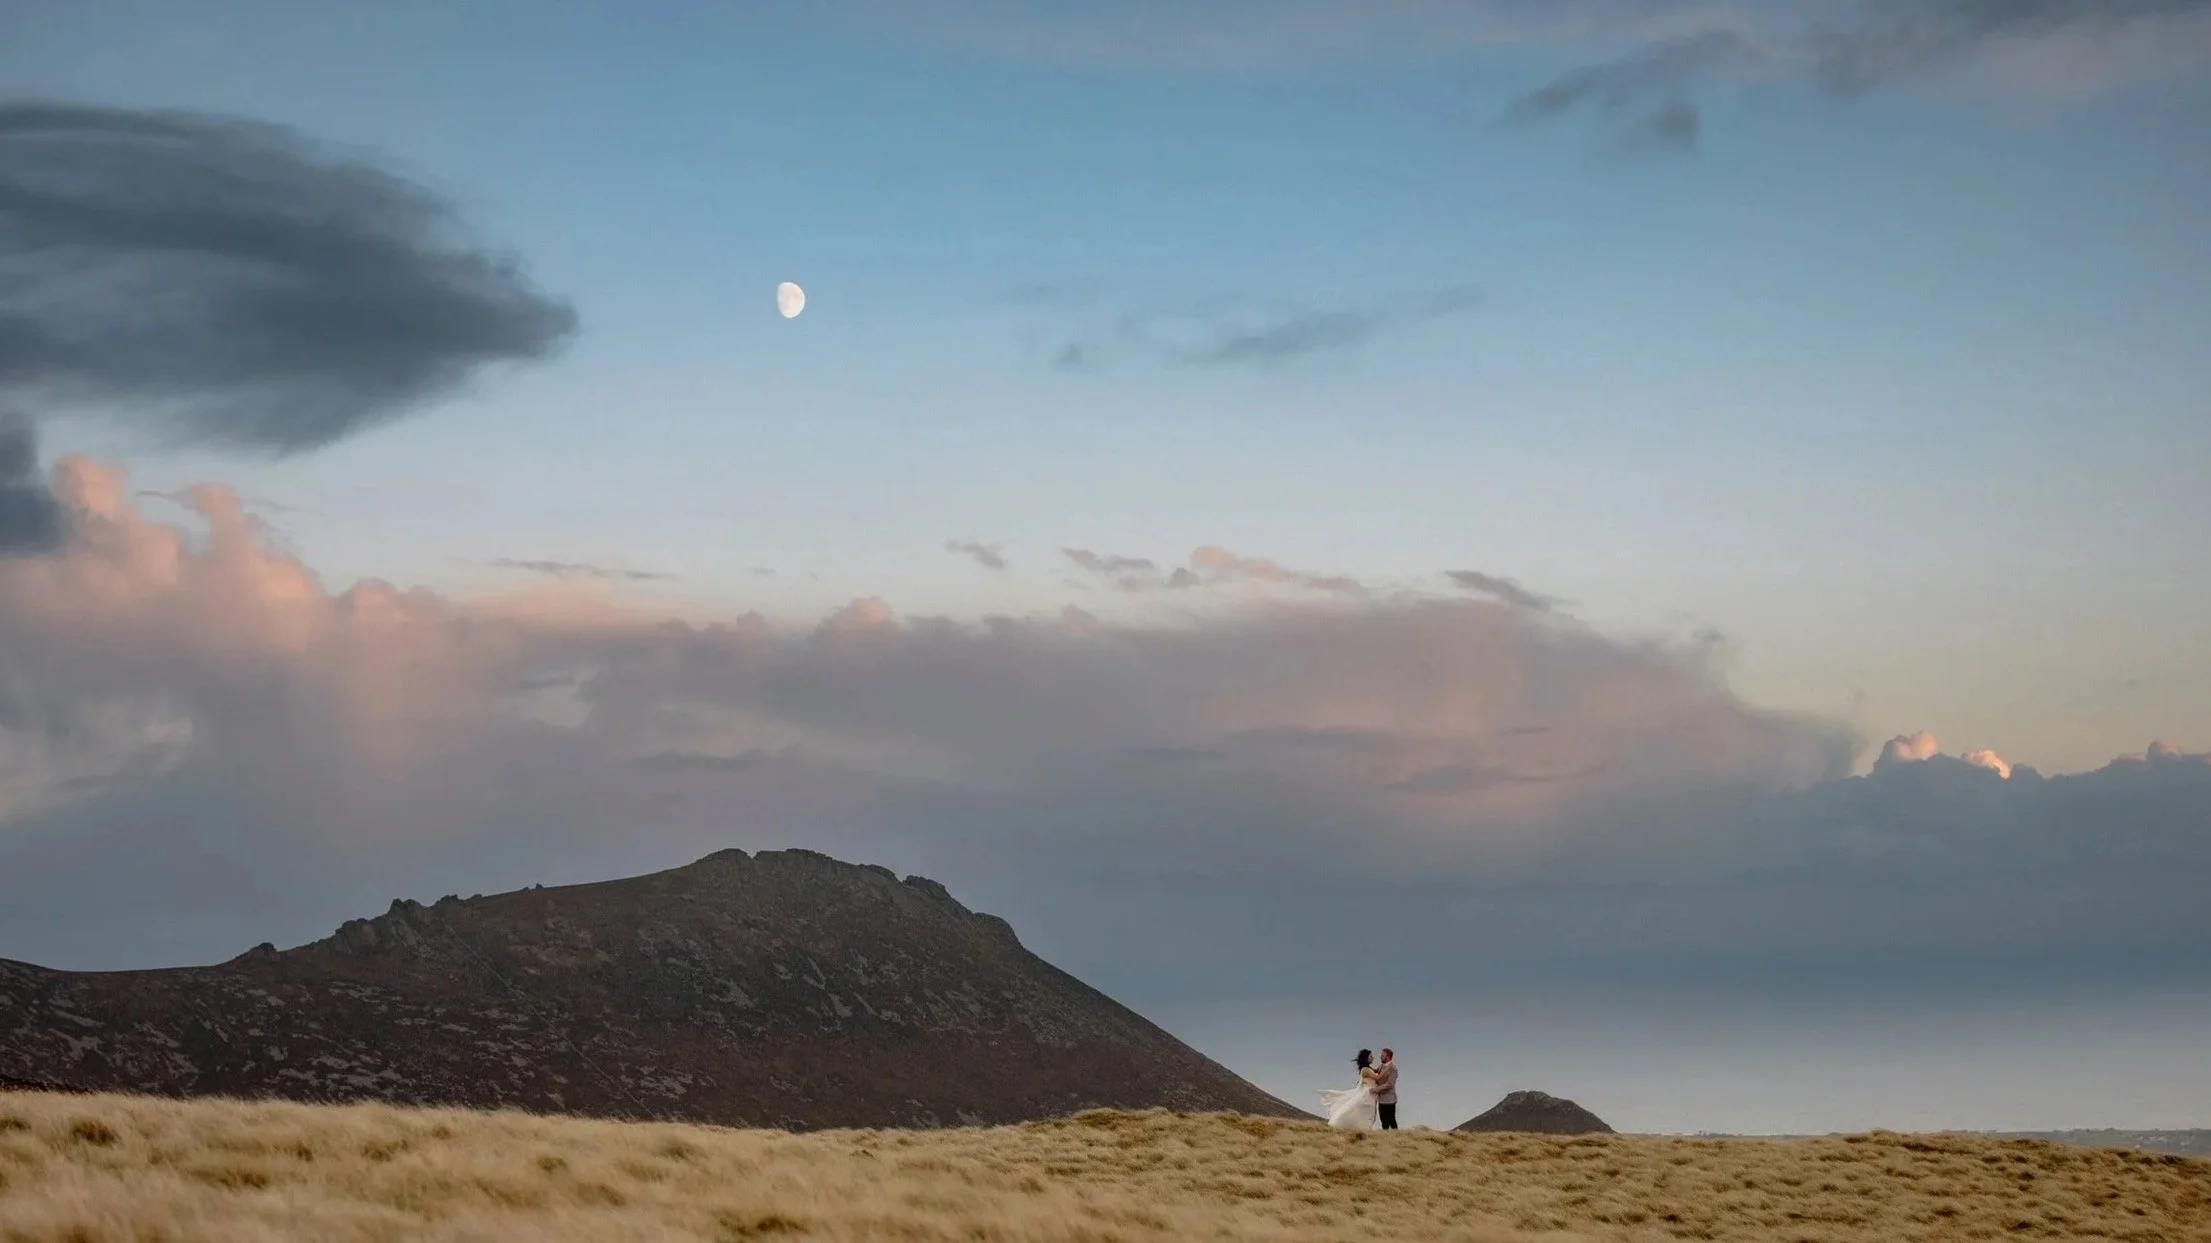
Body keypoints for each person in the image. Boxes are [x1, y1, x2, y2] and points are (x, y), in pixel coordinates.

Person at [1318, 1048, 1382, 1130]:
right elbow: (1378, 1077)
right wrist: (1388, 1068)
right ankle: (1358, 1127)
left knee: (1367, 1112)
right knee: (1360, 1111)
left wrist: (1383, 1066)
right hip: (1367, 1094)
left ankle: (1363, 1128)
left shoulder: (1369, 1069)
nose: (1373, 1057)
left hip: (1370, 1094)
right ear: (1366, 1058)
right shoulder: (1365, 1070)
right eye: (1371, 1056)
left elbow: (1377, 1071)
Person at [1372, 1047, 1399, 1130]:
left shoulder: (1393, 1069)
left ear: (1388, 1057)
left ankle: (1398, 1137)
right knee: (1383, 1121)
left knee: (1391, 1121)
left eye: (1382, 1056)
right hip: (1381, 1099)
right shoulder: (1382, 1066)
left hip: (1389, 1100)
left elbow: (1389, 1084)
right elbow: (1375, 1071)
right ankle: (1386, 1138)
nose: (1380, 1057)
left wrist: (1376, 1090)